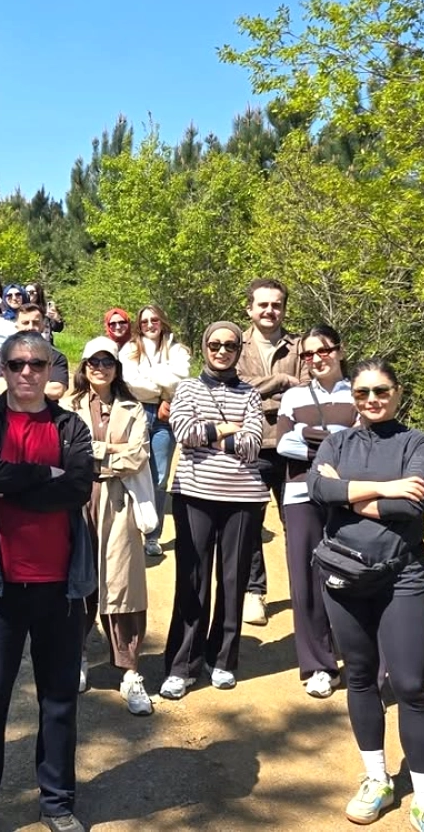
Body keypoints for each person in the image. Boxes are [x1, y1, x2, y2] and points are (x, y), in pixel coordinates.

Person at [0, 331, 96, 832]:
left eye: (37, 364)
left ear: (50, 371)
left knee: (58, 700)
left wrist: (14, 479)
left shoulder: (70, 425)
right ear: (4, 369)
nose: (27, 373)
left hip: (59, 586)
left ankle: (57, 802)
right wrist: (46, 476)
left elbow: (79, 486)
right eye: (16, 364)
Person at [308, 358, 424, 831]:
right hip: (344, 575)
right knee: (362, 676)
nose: (372, 399)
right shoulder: (337, 441)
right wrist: (384, 489)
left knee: (409, 685)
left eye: (382, 390)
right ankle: (377, 779)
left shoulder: (419, 444)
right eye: (364, 392)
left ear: (398, 393)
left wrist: (346, 494)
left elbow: (413, 506)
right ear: (354, 397)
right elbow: (317, 489)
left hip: (402, 576)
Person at [159, 321, 267, 699]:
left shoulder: (250, 393)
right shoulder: (187, 387)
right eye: (215, 344)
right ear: (204, 347)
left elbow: (255, 443)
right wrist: (227, 430)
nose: (222, 351)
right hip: (194, 494)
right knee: (193, 579)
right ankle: (181, 664)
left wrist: (210, 433)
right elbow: (183, 433)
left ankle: (222, 658)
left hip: (244, 498)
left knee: (233, 578)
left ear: (239, 350)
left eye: (230, 345)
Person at [61, 337, 155, 716]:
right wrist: (108, 453)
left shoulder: (133, 408)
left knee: (124, 588)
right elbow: (69, 451)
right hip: (77, 502)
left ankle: (130, 671)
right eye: (93, 361)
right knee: (77, 581)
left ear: (117, 367)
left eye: (108, 360)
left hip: (119, 503)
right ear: (83, 367)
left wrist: (96, 454)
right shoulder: (68, 406)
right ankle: (76, 656)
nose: (100, 366)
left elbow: (137, 456)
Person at [275, 324, 358, 697]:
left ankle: (358, 659)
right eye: (308, 354)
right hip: (300, 494)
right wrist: (335, 442)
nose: (315, 359)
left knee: (351, 576)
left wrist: (309, 436)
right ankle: (318, 664)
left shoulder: (361, 391)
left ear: (339, 350)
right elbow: (283, 445)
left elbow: (363, 445)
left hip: (350, 496)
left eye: (322, 350)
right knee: (305, 580)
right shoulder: (293, 397)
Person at [235, 278, 307, 626]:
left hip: (295, 446)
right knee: (250, 522)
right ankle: (254, 592)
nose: (269, 310)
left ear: (283, 308)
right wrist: (279, 384)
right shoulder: (235, 343)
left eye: (276, 304)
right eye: (262, 304)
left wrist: (260, 394)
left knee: (299, 523)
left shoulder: (301, 347)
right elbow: (233, 389)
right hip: (252, 445)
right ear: (249, 308)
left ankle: (306, 592)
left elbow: (309, 391)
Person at [120, 305, 191, 557]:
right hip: (138, 411)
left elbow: (182, 378)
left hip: (166, 415)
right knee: (131, 469)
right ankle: (128, 530)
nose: (150, 324)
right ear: (139, 324)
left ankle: (153, 535)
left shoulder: (177, 349)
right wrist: (163, 385)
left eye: (155, 319)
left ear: (162, 321)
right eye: (145, 321)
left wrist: (154, 379)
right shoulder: (129, 349)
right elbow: (131, 382)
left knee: (159, 477)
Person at [12, 305, 69, 400]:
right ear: (17, 326)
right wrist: (41, 386)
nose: (31, 327)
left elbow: (56, 390)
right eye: (25, 323)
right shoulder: (5, 355)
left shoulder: (56, 357)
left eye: (35, 323)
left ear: (43, 326)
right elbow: (2, 386)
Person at [0, 283, 26, 350]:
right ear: (4, 298)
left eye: (18, 294)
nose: (14, 298)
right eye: (9, 295)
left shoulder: (31, 317)